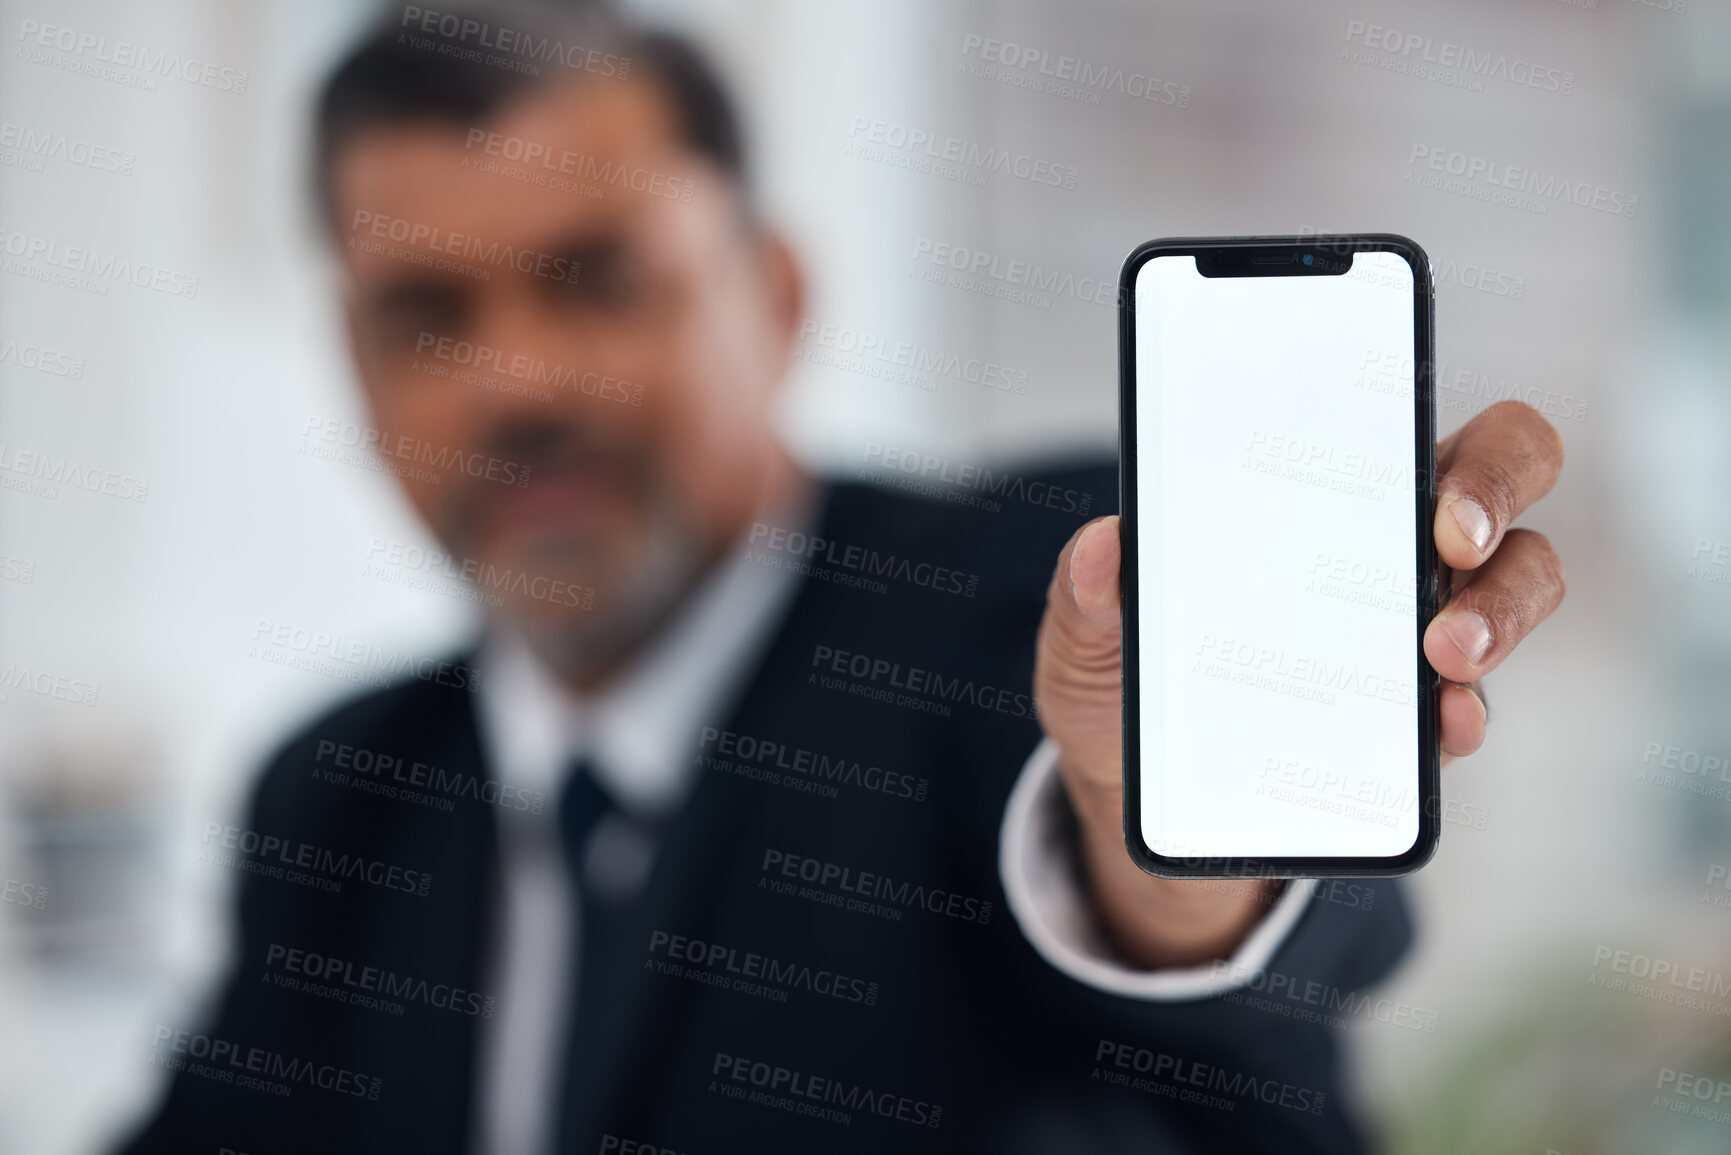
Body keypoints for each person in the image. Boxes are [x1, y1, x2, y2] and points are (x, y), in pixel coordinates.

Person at [116, 4, 1566, 1153]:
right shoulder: (335, 796)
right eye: (426, 313)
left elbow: (1190, 934)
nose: (520, 382)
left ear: (783, 296)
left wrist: (1164, 843)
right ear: (350, 368)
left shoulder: (1019, 596)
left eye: (597, 279)